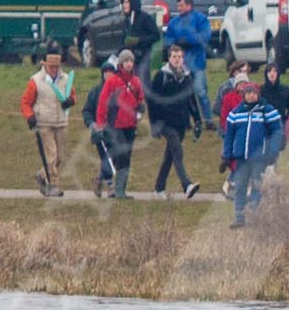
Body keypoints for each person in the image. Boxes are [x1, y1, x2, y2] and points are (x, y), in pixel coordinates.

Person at [221, 79, 283, 228]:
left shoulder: (267, 111)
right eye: (248, 93)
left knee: (257, 187)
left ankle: (253, 216)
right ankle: (239, 217)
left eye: (253, 93)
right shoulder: (235, 113)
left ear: (258, 94)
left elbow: (277, 132)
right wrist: (226, 155)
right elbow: (229, 136)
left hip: (259, 158)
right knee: (240, 187)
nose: (251, 96)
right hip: (241, 158)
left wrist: (272, 153)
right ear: (244, 95)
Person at [147, 43, 204, 199]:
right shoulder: (161, 76)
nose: (177, 59)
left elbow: (192, 100)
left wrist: (197, 120)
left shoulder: (187, 76)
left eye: (180, 57)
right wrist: (154, 124)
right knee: (177, 151)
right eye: (174, 57)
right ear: (169, 58)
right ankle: (187, 185)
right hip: (165, 122)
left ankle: (159, 188)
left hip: (181, 123)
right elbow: (152, 101)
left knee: (170, 156)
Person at [21, 44, 75, 197]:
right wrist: (29, 116)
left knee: (59, 157)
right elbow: (25, 101)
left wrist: (70, 101)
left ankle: (41, 174)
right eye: (51, 66)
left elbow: (72, 95)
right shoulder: (36, 81)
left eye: (56, 66)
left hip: (61, 122)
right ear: (45, 65)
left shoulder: (65, 79)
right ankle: (53, 185)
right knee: (51, 156)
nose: (54, 69)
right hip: (43, 123)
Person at [96, 50, 147, 199]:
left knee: (127, 156)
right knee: (122, 154)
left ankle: (120, 189)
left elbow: (140, 98)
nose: (129, 64)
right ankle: (118, 191)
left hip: (130, 125)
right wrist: (100, 123)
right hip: (115, 125)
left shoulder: (136, 81)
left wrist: (141, 106)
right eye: (126, 61)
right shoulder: (112, 81)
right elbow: (102, 102)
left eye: (131, 61)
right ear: (120, 63)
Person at [162, 0, 213, 120]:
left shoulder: (200, 18)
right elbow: (168, 39)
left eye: (181, 5)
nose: (179, 8)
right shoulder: (174, 22)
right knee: (183, 94)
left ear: (189, 5)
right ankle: (186, 120)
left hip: (197, 61)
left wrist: (188, 41)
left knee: (200, 91)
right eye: (178, 5)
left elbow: (205, 35)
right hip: (180, 63)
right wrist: (176, 44)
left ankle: (208, 119)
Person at [84, 56, 118, 196]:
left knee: (114, 157)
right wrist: (92, 124)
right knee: (106, 158)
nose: (108, 75)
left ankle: (98, 180)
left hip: (116, 131)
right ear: (102, 74)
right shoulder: (95, 92)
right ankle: (111, 187)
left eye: (111, 72)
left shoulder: (118, 91)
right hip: (100, 132)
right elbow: (87, 110)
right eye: (106, 72)